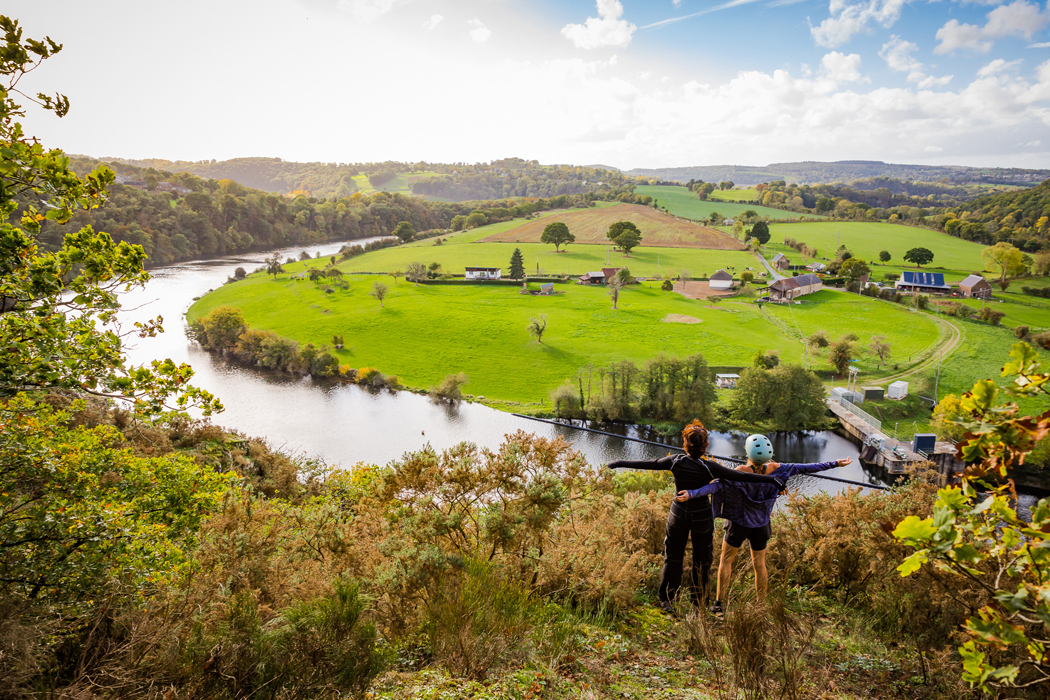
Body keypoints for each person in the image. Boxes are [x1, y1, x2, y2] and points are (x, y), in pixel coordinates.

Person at [607, 421, 785, 611]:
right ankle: (698, 602)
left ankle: (667, 599)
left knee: (673, 555)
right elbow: (742, 477)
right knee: (702, 559)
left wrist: (618, 463)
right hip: (701, 516)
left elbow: (648, 464)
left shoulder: (675, 461)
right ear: (705, 445)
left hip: (678, 514)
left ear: (685, 443)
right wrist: (773, 479)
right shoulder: (710, 468)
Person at [675, 433, 852, 614]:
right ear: (770, 451)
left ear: (747, 451)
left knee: (726, 562)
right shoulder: (780, 469)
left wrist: (692, 493)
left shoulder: (740, 471)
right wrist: (835, 463)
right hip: (761, 525)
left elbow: (715, 486)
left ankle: (719, 604)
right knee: (760, 564)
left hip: (738, 525)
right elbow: (808, 467)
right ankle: (760, 606)